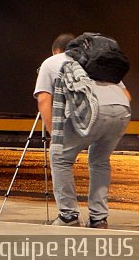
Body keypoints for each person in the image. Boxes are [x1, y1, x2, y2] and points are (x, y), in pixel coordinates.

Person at [34, 33, 132, 229]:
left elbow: (44, 98)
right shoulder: (94, 58)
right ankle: (98, 219)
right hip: (121, 110)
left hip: (95, 109)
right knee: (100, 161)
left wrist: (54, 133)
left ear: (57, 50)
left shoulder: (52, 61)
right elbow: (127, 95)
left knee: (60, 157)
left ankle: (68, 216)